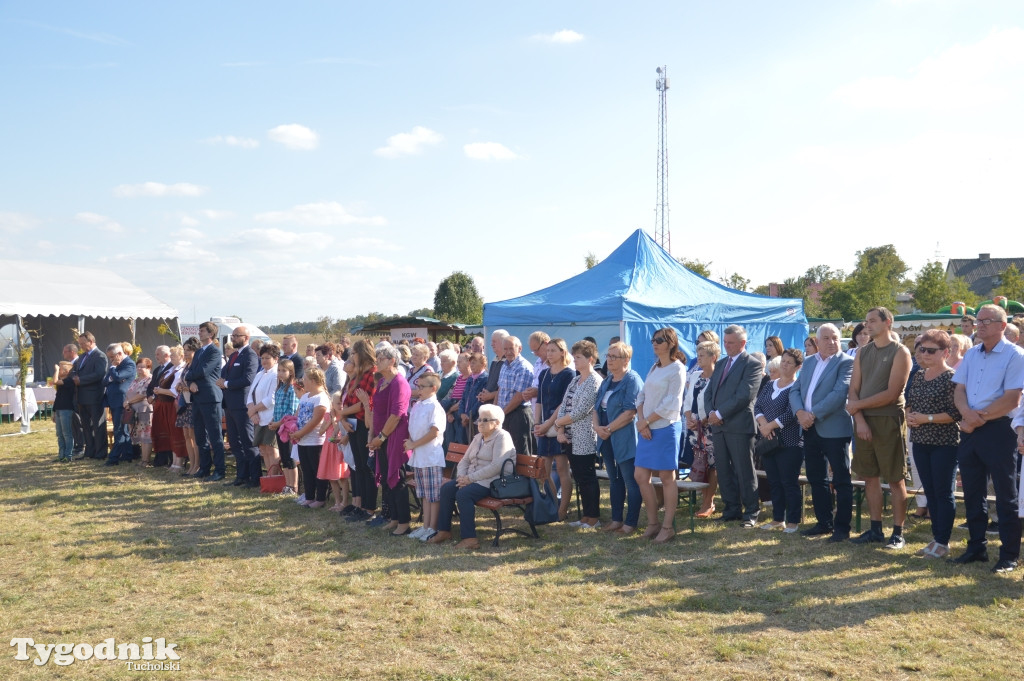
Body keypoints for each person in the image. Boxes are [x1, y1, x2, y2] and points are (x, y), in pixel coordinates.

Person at [950, 304, 1024, 573]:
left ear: (1003, 326)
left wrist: (977, 418)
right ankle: (976, 547)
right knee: (972, 491)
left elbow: (1011, 399)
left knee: (1005, 493)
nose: (979, 325)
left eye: (986, 321)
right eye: (978, 320)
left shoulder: (1016, 356)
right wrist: (967, 415)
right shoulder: (971, 354)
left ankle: (1009, 554)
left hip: (1000, 430)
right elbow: (960, 389)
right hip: (971, 429)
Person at [846, 307, 913, 548]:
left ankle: (898, 532)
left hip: (888, 419)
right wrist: (860, 418)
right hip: (863, 420)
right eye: (866, 321)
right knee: (870, 477)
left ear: (888, 322)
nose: (867, 325)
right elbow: (853, 388)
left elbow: (892, 393)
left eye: (873, 321)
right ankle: (875, 529)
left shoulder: (900, 352)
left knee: (895, 479)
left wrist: (856, 406)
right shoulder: (862, 352)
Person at [789, 323, 855, 541]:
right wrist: (800, 412)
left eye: (835, 338)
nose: (832, 342)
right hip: (809, 428)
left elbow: (839, 394)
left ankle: (842, 528)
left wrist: (812, 414)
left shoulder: (846, 362)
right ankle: (823, 522)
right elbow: (795, 390)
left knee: (841, 479)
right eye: (826, 338)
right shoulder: (808, 363)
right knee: (816, 478)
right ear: (817, 342)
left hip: (833, 428)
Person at [904, 330, 962, 559]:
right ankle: (936, 538)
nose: (924, 354)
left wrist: (926, 418)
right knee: (930, 492)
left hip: (944, 443)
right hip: (920, 441)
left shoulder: (952, 378)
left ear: (945, 353)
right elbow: (910, 403)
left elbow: (955, 413)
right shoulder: (918, 375)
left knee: (943, 492)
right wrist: (910, 416)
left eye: (931, 350)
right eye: (921, 349)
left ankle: (943, 542)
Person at [428, 404, 516, 550]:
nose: (480, 423)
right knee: (447, 489)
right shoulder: (478, 437)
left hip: (494, 481)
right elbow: (464, 461)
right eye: (479, 419)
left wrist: (470, 479)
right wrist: (462, 477)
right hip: (474, 478)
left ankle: (470, 539)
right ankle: (444, 531)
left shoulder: (502, 437)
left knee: (463, 495)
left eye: (485, 420)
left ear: (497, 423)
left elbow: (496, 466)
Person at [705, 324, 764, 527]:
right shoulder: (721, 364)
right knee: (723, 470)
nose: (727, 346)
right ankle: (731, 509)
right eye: (725, 342)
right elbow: (709, 391)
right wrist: (711, 414)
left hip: (739, 426)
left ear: (743, 343)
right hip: (719, 426)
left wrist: (720, 413)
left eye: (731, 343)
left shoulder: (753, 365)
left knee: (744, 470)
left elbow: (744, 395)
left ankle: (751, 512)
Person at [635, 327, 688, 543]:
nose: (655, 343)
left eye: (659, 340)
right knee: (640, 476)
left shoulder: (678, 369)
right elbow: (642, 395)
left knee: (667, 477)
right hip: (646, 428)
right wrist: (641, 421)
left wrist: (646, 421)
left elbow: (671, 403)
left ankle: (667, 527)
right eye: (653, 340)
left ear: (670, 343)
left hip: (666, 428)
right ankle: (652, 523)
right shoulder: (654, 367)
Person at [594, 341, 643, 534]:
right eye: (608, 356)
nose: (610, 360)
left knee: (630, 480)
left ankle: (630, 523)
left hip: (624, 436)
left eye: (614, 357)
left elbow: (630, 411)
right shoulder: (607, 380)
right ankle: (616, 519)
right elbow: (596, 407)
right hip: (605, 435)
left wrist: (608, 428)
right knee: (614, 480)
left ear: (626, 359)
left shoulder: (632, 380)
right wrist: (598, 428)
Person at [554, 340, 603, 529]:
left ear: (590, 359)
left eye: (579, 357)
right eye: (574, 357)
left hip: (584, 437)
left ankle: (594, 517)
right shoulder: (575, 379)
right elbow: (563, 404)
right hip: (569, 436)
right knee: (580, 478)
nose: (574, 360)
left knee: (587, 477)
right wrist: (559, 430)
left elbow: (581, 411)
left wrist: (558, 423)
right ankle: (585, 516)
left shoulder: (594, 381)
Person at [754, 349, 804, 532]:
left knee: (788, 482)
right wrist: (763, 424)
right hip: (768, 442)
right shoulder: (769, 385)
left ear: (798, 367)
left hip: (789, 443)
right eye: (783, 361)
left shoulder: (797, 387)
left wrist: (770, 427)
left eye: (789, 362)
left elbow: (791, 413)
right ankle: (777, 518)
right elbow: (758, 405)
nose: (784, 365)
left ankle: (792, 521)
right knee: (774, 481)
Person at [366, 343, 413, 535]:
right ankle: (394, 517)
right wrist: (372, 434)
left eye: (381, 359)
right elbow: (376, 409)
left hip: (394, 436)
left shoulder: (399, 383)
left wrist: (382, 436)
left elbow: (397, 415)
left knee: (397, 477)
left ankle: (404, 521)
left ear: (392, 361)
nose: (377, 361)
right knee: (386, 478)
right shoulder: (381, 382)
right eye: (377, 358)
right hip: (380, 436)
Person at [532, 338, 575, 519]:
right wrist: (536, 424)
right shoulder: (544, 374)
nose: (549, 354)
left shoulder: (569, 375)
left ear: (562, 352)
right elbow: (539, 401)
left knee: (563, 469)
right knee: (544, 472)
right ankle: (552, 504)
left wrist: (549, 424)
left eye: (553, 351)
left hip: (559, 427)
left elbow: (563, 404)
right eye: (547, 350)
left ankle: (562, 509)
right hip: (543, 426)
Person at [404, 373, 446, 542]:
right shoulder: (418, 405)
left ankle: (432, 527)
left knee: (433, 495)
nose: (418, 390)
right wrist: (411, 442)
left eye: (422, 387)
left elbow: (434, 432)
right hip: (419, 457)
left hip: (430, 457)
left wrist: (414, 444)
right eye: (418, 386)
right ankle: (425, 526)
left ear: (433, 389)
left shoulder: (435, 407)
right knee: (424, 494)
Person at [340, 340, 378, 521]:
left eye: (354, 352)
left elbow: (363, 404)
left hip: (365, 423)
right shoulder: (360, 373)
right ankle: (361, 505)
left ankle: (369, 507)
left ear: (361, 353)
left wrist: (340, 413)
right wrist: (343, 417)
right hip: (354, 423)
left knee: (366, 467)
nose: (352, 356)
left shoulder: (372, 374)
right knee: (359, 466)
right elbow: (349, 401)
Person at [185, 321, 227, 481]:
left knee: (215, 435)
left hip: (210, 397)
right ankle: (204, 467)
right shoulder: (200, 351)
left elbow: (203, 371)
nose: (199, 333)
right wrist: (191, 382)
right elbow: (190, 372)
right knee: (200, 435)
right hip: (197, 397)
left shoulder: (214, 352)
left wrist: (191, 377)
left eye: (202, 331)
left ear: (210, 334)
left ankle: (220, 470)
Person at [218, 325, 259, 487]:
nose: (232, 338)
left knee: (248, 442)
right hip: (230, 405)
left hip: (242, 405)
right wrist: (222, 381)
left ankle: (254, 478)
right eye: (232, 335)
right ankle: (241, 475)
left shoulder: (250, 355)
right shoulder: (235, 355)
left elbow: (248, 379)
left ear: (246, 338)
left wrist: (226, 384)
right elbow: (225, 373)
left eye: (236, 335)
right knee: (235, 442)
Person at [684, 340, 720, 517]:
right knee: (698, 463)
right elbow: (688, 400)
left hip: (711, 426)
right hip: (694, 427)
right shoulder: (695, 375)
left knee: (712, 466)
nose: (698, 358)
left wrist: (703, 421)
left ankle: (709, 502)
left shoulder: (719, 377)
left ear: (714, 357)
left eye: (702, 355)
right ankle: (702, 499)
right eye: (697, 354)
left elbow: (718, 404)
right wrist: (689, 418)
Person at [290, 367, 331, 508]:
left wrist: (300, 433)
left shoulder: (322, 398)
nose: (303, 382)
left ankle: (320, 498)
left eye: (305, 379)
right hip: (302, 440)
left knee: (317, 470)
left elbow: (316, 420)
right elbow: (297, 414)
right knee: (306, 470)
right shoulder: (306, 396)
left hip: (315, 441)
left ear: (313, 381)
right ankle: (309, 496)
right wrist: (292, 428)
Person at [70, 331, 108, 461]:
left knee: (98, 426)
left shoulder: (100, 356)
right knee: (86, 426)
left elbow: (99, 374)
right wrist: (73, 376)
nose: (80, 346)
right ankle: (89, 452)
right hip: (82, 397)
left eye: (82, 343)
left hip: (94, 397)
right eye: (79, 343)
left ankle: (100, 452)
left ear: (90, 342)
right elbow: (74, 370)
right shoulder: (81, 357)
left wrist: (81, 380)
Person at [247, 343, 280, 487]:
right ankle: (269, 480)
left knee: (272, 449)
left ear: (276, 359)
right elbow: (250, 395)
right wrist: (251, 412)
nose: (264, 361)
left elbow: (271, 398)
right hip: (258, 417)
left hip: (270, 417)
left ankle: (275, 479)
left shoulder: (276, 374)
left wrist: (253, 410)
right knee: (264, 449)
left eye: (267, 358)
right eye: (262, 358)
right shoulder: (260, 373)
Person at [496, 335, 536, 455]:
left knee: (521, 453)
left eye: (511, 348)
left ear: (520, 348)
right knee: (504, 451)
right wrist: (495, 411)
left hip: (518, 414)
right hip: (505, 414)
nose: (508, 352)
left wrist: (501, 414)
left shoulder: (524, 367)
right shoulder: (505, 365)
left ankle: (522, 475)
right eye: (505, 349)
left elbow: (519, 397)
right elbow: (500, 389)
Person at [152, 344, 187, 471]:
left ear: (181, 356)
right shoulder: (170, 370)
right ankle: (173, 462)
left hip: (174, 405)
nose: (171, 357)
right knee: (170, 433)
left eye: (173, 355)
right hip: (164, 405)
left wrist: (160, 390)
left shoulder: (181, 370)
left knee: (177, 433)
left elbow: (174, 391)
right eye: (170, 355)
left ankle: (179, 462)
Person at [269, 359, 300, 495]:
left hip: (287, 427)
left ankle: (294, 486)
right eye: (279, 370)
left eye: (284, 371)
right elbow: (278, 408)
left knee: (289, 457)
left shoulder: (292, 388)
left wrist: (279, 422)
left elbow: (291, 412)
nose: (280, 374)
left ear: (291, 372)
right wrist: (273, 420)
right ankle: (287, 485)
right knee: (283, 456)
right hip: (278, 426)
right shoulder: (280, 388)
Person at [103, 343, 136, 466]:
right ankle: (127, 454)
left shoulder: (129, 364)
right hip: (113, 400)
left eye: (112, 357)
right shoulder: (116, 365)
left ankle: (114, 457)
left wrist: (112, 371)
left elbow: (118, 377)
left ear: (120, 354)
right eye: (110, 358)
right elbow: (105, 381)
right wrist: (113, 376)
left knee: (119, 429)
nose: (111, 360)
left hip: (122, 400)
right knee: (123, 429)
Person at [318, 391, 351, 511]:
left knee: (342, 476)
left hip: (340, 447)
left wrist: (335, 422)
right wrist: (329, 422)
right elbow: (321, 432)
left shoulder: (345, 416)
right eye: (338, 403)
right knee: (332, 477)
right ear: (332, 404)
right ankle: (337, 501)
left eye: (342, 402)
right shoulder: (328, 415)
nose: (340, 405)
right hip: (329, 447)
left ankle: (345, 501)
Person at [124, 358, 154, 466]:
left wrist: (128, 401)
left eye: (142, 367)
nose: (139, 369)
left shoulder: (149, 379)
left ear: (149, 368)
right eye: (138, 367)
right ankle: (142, 459)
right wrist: (126, 403)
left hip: (144, 409)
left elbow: (143, 394)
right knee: (140, 435)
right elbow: (128, 393)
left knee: (146, 434)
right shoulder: (135, 380)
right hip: (134, 410)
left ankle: (146, 460)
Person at [146, 345, 173, 466]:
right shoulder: (157, 370)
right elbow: (151, 386)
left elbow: (168, 387)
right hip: (157, 404)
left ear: (166, 355)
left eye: (158, 354)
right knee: (159, 431)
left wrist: (156, 396)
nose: (156, 357)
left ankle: (171, 458)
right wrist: (149, 397)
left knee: (168, 432)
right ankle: (160, 459)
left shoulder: (172, 368)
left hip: (168, 403)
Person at [459, 352, 489, 442]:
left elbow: (481, 400)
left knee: (477, 444)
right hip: (467, 419)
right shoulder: (470, 378)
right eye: (470, 363)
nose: (471, 365)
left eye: (474, 363)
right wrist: (462, 414)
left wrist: (469, 415)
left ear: (483, 364)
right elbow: (463, 398)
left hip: (476, 419)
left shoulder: (485, 379)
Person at [475, 329, 509, 406]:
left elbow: (508, 389)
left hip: (501, 406)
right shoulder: (495, 360)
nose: (491, 344)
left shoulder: (508, 362)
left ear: (503, 342)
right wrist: (484, 394)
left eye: (494, 341)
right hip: (490, 404)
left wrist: (490, 395)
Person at [52, 360, 75, 463]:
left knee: (67, 433)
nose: (58, 370)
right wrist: (54, 411)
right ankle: (61, 455)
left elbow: (55, 381)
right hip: (59, 409)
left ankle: (68, 455)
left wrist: (56, 370)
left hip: (66, 409)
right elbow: (57, 397)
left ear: (66, 371)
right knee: (59, 434)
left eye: (61, 369)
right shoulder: (63, 382)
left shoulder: (69, 381)